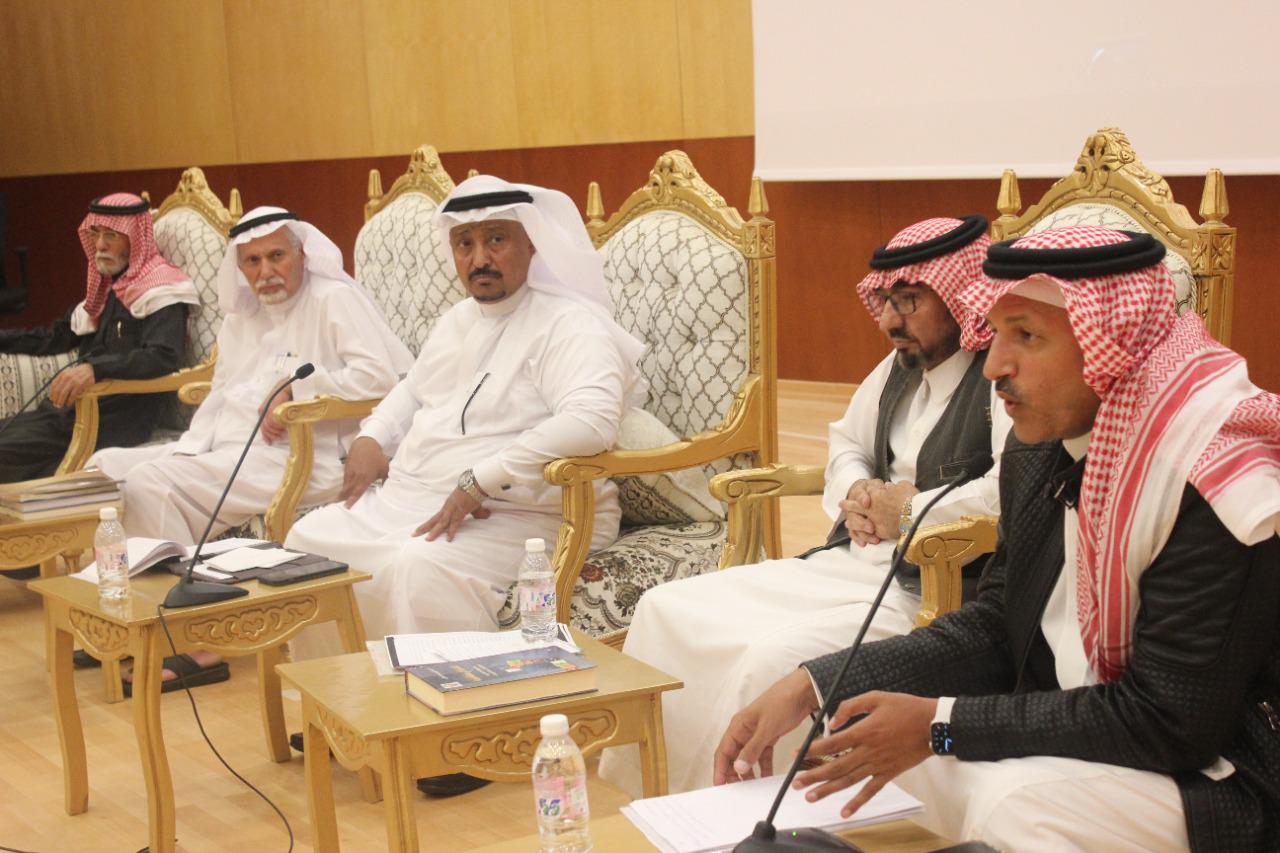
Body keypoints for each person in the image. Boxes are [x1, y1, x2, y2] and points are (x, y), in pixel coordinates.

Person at [715, 225, 1280, 851]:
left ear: (1111, 345)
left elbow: (1169, 721)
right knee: (862, 757)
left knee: (1007, 806)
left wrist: (940, 727)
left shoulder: (1213, 480)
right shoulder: (1041, 450)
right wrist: (815, 685)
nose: (994, 367)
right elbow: (996, 627)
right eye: (996, 334)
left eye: (1027, 337)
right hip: (1083, 723)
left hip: (1218, 772)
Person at [599, 216, 1012, 797]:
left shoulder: (1000, 378)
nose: (890, 321)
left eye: (910, 301)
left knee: (765, 658)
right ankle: (660, 796)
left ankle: (745, 816)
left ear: (959, 296)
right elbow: (846, 442)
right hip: (851, 560)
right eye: (887, 301)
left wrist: (910, 510)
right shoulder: (898, 367)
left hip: (926, 586)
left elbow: (1006, 489)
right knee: (666, 608)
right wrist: (859, 492)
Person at [284, 175, 645, 795]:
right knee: (309, 540)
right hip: (419, 497)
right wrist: (372, 437)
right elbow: (412, 389)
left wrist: (483, 478)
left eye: (496, 240)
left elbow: (590, 423)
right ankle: (349, 708)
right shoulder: (457, 320)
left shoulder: (570, 324)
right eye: (465, 244)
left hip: (530, 512)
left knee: (416, 567)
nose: (479, 258)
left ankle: (460, 740)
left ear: (530, 243)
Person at [91, 207, 412, 691]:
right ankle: (132, 619)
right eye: (253, 261)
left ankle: (193, 640)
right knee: (103, 469)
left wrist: (298, 389)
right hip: (225, 448)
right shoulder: (243, 315)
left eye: (276, 256)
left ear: (302, 254)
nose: (266, 272)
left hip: (303, 456)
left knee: (149, 483)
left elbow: (380, 379)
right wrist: (189, 449)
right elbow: (221, 394)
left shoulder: (332, 299)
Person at [0, 193, 197, 485]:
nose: (100, 245)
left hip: (115, 419)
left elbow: (162, 356)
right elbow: (54, 337)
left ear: (135, 238)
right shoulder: (107, 288)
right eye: (96, 234)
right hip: (68, 414)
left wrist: (96, 369)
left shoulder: (161, 290)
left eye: (111, 235)